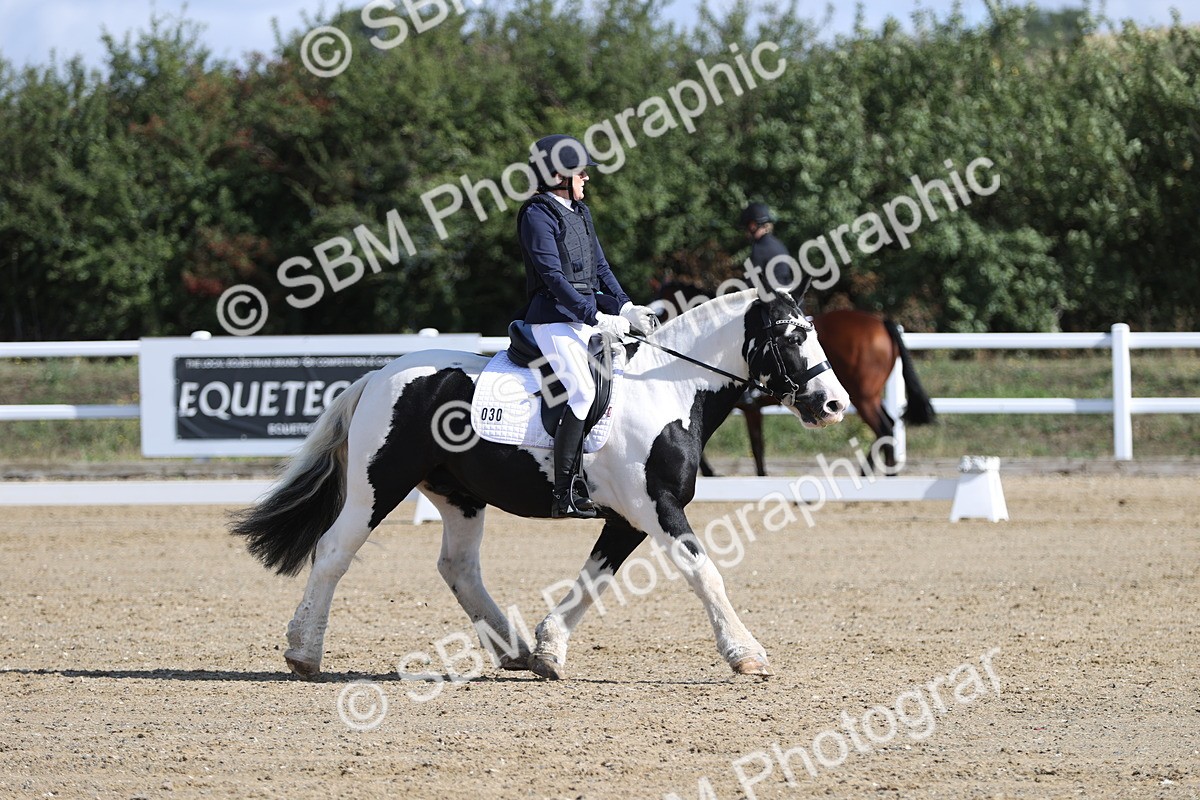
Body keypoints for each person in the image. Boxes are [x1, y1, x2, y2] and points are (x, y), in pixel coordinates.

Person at [517, 134, 658, 519]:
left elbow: (601, 267)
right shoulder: (536, 214)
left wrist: (627, 307)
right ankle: (563, 491)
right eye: (581, 171)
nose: (586, 178)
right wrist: (595, 315)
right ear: (560, 174)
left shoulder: (581, 212)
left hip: (582, 316)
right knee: (581, 391)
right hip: (552, 319)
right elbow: (552, 277)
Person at [740, 202, 794, 295]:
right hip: (788, 295)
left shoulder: (760, 248)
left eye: (748, 226)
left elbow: (751, 282)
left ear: (753, 225)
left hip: (772, 299)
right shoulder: (778, 244)